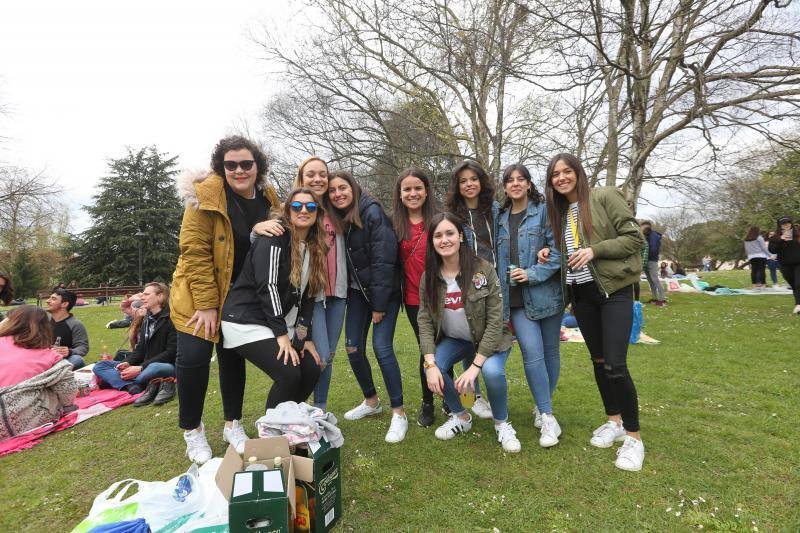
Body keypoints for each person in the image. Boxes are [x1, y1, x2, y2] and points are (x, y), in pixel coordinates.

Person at [170, 135, 281, 464]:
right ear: (222, 167)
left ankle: (233, 424)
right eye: (230, 164)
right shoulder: (204, 198)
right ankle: (192, 430)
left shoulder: (268, 197)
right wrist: (207, 304)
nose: (239, 170)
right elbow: (193, 252)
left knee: (233, 358)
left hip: (239, 297)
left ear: (257, 166)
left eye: (246, 163)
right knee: (193, 358)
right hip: (198, 294)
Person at [543, 153, 646, 472]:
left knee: (616, 365)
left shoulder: (604, 196)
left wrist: (595, 250)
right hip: (582, 296)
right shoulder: (558, 212)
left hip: (613, 291)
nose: (561, 178)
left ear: (578, 172)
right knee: (599, 362)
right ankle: (613, 422)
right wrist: (549, 252)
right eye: (555, 174)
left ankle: (634, 439)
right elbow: (568, 252)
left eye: (566, 171)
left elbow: (634, 239)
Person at [219, 188, 324, 452]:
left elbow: (308, 298)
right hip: (245, 320)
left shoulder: (314, 247)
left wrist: (304, 338)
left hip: (274, 323)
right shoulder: (275, 239)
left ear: (317, 214)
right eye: (297, 206)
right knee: (288, 372)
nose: (303, 211)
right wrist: (282, 336)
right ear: (288, 210)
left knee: (311, 367)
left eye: (310, 208)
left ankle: (288, 427)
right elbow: (268, 288)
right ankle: (270, 441)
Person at [417, 213, 520, 452]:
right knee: (435, 369)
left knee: (492, 372)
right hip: (457, 340)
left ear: (460, 236)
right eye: (438, 235)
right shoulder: (429, 277)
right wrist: (430, 365)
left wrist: (475, 367)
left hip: (488, 339)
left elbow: (496, 321)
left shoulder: (483, 270)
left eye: (450, 233)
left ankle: (502, 423)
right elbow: (424, 321)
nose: (444, 240)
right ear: (432, 241)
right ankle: (461, 417)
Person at [327, 170, 408, 443]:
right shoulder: (340, 219)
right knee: (352, 347)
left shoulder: (371, 213)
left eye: (342, 188)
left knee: (381, 347)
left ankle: (399, 413)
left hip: (382, 293)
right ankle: (372, 401)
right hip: (357, 293)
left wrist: (379, 305)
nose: (337, 194)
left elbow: (384, 262)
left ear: (354, 188)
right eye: (332, 191)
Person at [496, 164, 565, 447]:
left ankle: (542, 408)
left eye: (520, 179)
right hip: (516, 301)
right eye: (509, 180)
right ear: (504, 187)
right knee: (532, 355)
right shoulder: (499, 216)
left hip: (547, 296)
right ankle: (548, 416)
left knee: (550, 353)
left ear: (528, 184)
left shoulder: (545, 211)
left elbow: (559, 252)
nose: (515, 184)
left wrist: (532, 273)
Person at [441, 159, 498, 419]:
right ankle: (472, 396)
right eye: (463, 181)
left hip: (492, 280)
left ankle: (477, 392)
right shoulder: (455, 215)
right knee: (468, 335)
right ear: (457, 186)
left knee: (482, 337)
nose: (469, 184)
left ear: (481, 181)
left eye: (473, 179)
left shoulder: (495, 210)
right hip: (465, 282)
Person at [292, 157, 347, 412]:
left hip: (338, 292)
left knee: (329, 356)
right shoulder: (297, 208)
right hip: (311, 296)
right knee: (320, 356)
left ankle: (320, 410)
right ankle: (297, 407)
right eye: (310, 174)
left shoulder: (338, 209)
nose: (317, 179)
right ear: (301, 178)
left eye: (322, 174)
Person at [392, 168, 440, 427]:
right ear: (399, 195)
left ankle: (448, 395)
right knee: (427, 350)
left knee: (445, 348)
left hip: (442, 296)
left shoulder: (439, 220)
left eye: (417, 188)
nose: (413, 193)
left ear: (427, 191)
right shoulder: (395, 224)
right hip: (413, 299)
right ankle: (428, 402)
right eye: (407, 189)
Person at [93, 283, 177, 405]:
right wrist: (128, 362)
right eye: (142, 294)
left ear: (160, 296)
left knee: (154, 368)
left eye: (147, 294)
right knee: (100, 366)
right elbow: (140, 350)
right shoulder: (147, 319)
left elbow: (171, 353)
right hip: (144, 364)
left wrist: (141, 367)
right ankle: (132, 384)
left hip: (165, 365)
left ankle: (125, 382)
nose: (142, 297)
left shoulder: (171, 319)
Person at [0, 305, 76, 440]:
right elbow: (67, 389)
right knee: (54, 382)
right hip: (28, 421)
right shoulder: (48, 354)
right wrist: (68, 405)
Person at [46, 289, 89, 370]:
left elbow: (83, 347)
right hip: (42, 358)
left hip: (62, 362)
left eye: (53, 299)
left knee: (77, 359)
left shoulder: (75, 324)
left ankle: (53, 373)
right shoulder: (42, 321)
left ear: (64, 304)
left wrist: (69, 351)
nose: (48, 301)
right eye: (49, 298)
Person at [768, 216, 800, 314]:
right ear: (779, 225)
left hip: (798, 263)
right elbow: (772, 250)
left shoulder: (797, 234)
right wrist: (780, 240)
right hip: (784, 264)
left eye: (788, 223)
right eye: (784, 223)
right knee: (794, 285)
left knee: (799, 284)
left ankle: (798, 305)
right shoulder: (775, 237)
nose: (786, 225)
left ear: (791, 223)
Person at [640, 221, 666, 306]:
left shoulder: (653, 235)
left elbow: (653, 249)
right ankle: (654, 298)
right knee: (650, 281)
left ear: (646, 227)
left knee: (655, 280)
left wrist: (648, 257)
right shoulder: (646, 236)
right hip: (646, 260)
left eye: (642, 227)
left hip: (652, 261)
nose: (641, 229)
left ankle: (662, 299)